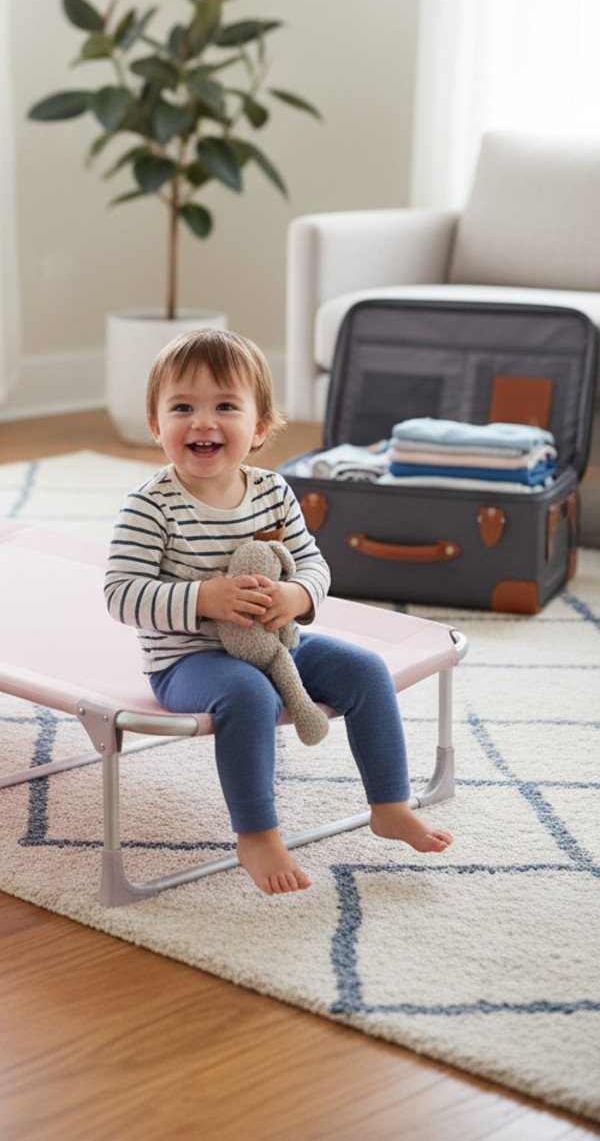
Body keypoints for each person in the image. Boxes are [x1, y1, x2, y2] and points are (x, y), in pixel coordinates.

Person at [103, 327, 453, 896]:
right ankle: (257, 835)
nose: (202, 422)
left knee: (365, 671)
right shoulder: (150, 506)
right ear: (155, 424)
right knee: (248, 695)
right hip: (188, 660)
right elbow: (121, 593)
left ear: (260, 427)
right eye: (182, 407)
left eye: (225, 407)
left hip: (279, 642)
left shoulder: (273, 491)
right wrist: (202, 599)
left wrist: (297, 597)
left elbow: (314, 566)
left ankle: (389, 803)